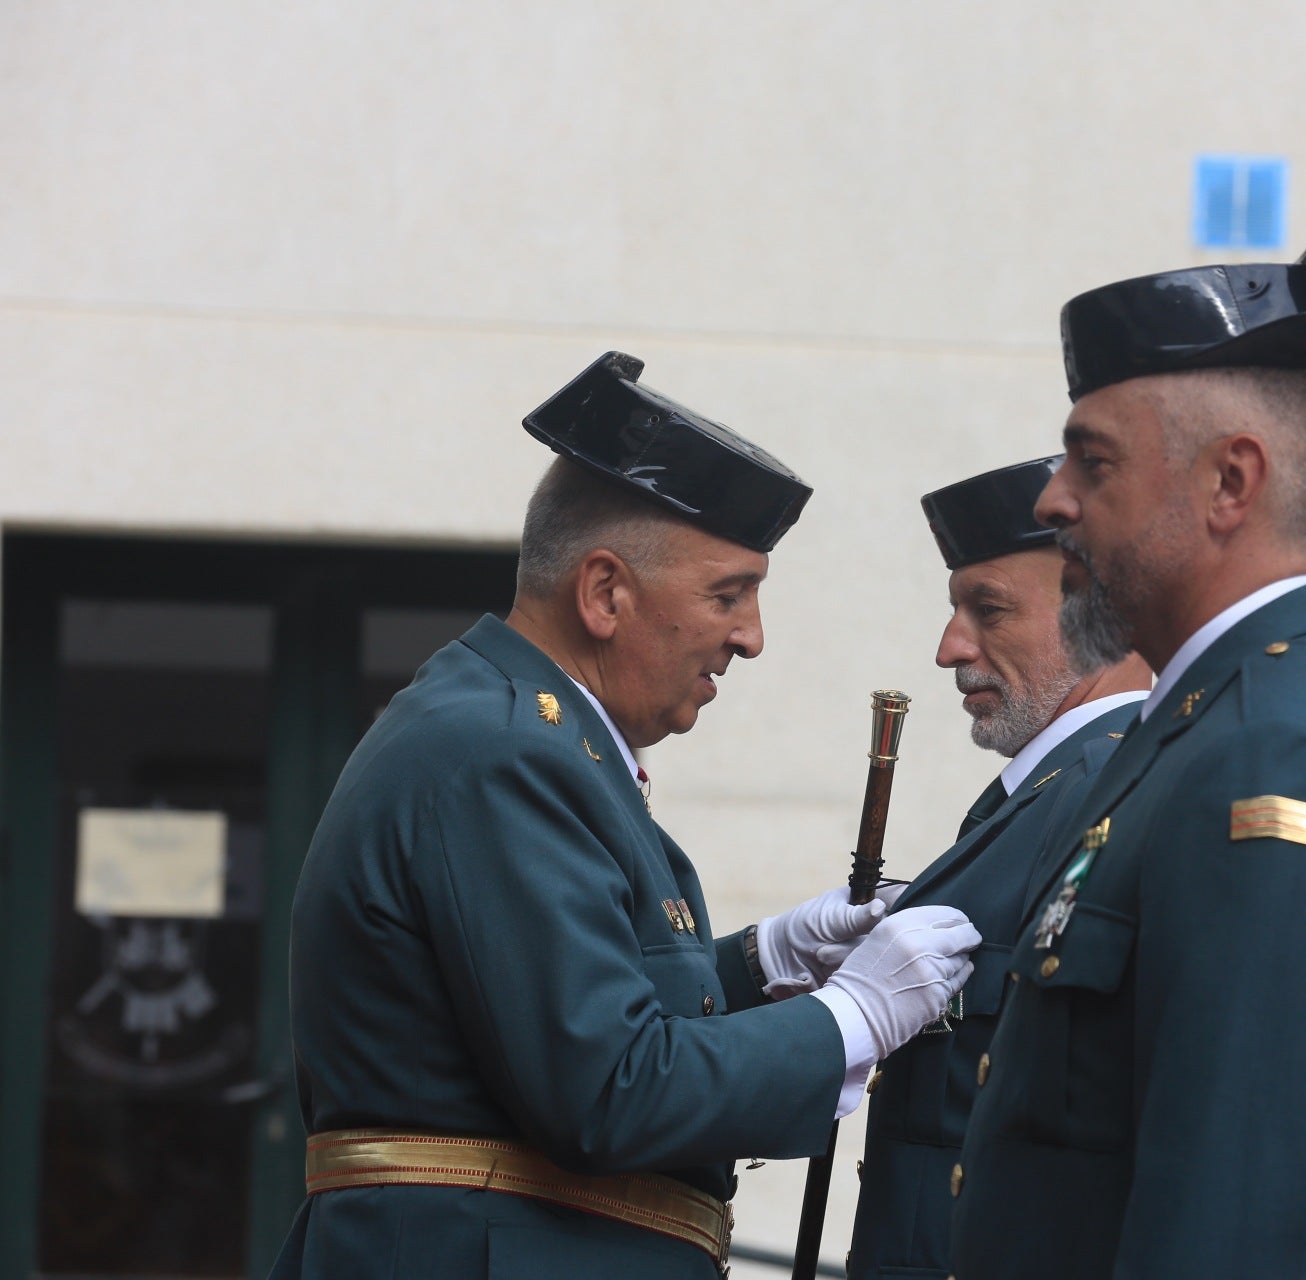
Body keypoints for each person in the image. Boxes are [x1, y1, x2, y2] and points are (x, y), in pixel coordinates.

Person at [269, 352, 980, 1280]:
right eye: (727, 594)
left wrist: (757, 968)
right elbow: (607, 1089)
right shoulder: (506, 751)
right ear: (605, 593)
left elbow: (546, 1021)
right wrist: (849, 1017)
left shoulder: (515, 732)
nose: (751, 637)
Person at [947, 247, 1306, 1278]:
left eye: (1093, 462)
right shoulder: (1204, 722)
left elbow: (1232, 1229)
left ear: (1231, 481)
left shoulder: (1282, 752)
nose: (1052, 499)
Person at [844, 457, 1152, 1280]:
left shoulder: (1101, 798)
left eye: (989, 610)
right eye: (956, 610)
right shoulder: (1045, 796)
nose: (950, 648)